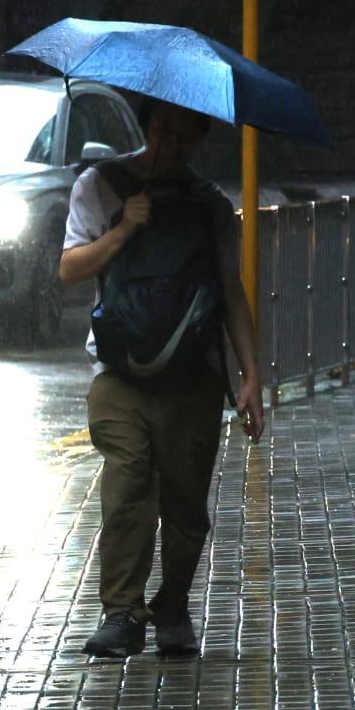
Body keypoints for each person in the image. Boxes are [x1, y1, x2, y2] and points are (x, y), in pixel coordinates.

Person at [59, 97, 263, 658]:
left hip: (193, 377)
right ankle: (121, 612)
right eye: (161, 129)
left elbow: (231, 292)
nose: (169, 142)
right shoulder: (99, 186)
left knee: (185, 501)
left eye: (183, 134)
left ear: (198, 138)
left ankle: (171, 606)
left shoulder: (210, 207)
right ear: (147, 125)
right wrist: (125, 227)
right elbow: (70, 268)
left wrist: (251, 377)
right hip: (119, 372)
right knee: (128, 477)